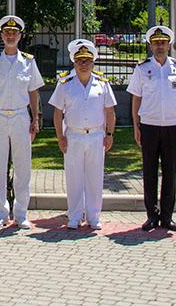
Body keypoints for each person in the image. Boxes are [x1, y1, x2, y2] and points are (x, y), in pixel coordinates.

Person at [0, 15, 44, 230]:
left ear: (20, 36)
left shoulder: (29, 61)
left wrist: (35, 118)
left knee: (23, 167)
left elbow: (33, 92)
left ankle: (21, 213)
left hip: (20, 117)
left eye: (14, 33)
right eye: (7, 33)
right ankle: (0, 213)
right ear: (1, 35)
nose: (10, 36)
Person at [126, 25, 176, 232]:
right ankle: (151, 216)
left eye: (163, 43)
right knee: (149, 172)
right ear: (150, 46)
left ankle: (167, 217)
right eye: (156, 43)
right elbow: (136, 98)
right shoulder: (142, 68)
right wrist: (136, 125)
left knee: (170, 172)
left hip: (172, 125)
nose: (160, 46)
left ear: (169, 45)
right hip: (149, 125)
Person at [49, 40, 116, 230]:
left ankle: (93, 216)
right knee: (74, 177)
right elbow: (57, 113)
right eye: (79, 60)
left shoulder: (102, 83)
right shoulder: (65, 83)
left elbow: (110, 111)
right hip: (73, 136)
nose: (83, 64)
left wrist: (109, 134)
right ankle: (75, 215)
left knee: (95, 177)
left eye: (87, 60)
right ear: (74, 62)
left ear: (93, 62)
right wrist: (60, 137)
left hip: (96, 135)